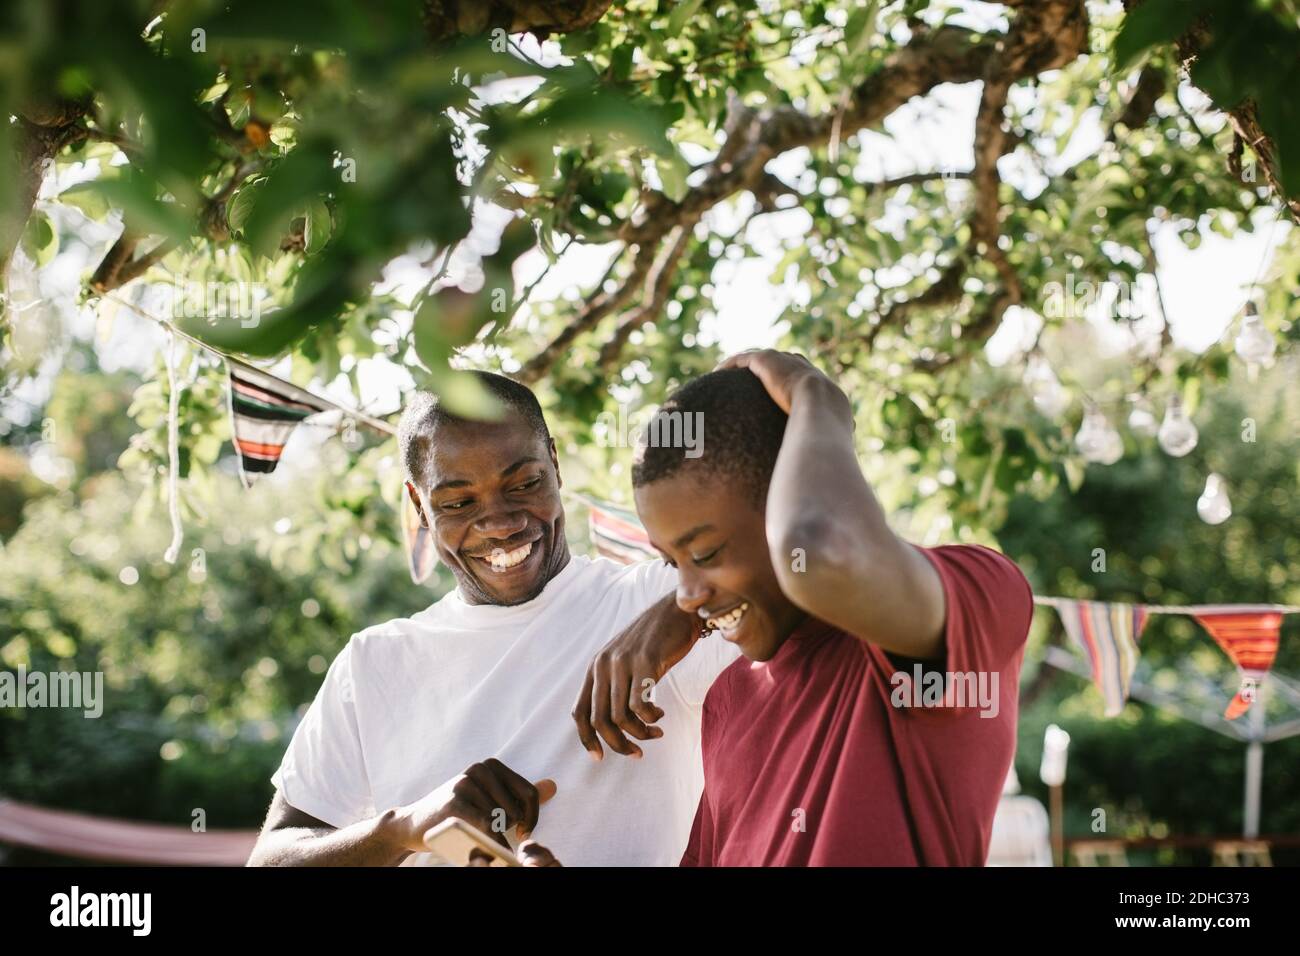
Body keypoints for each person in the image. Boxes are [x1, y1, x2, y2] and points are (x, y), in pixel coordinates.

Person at [247, 371, 737, 866]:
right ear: (419, 505)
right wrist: (407, 828)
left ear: (556, 465)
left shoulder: (656, 601)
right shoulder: (372, 663)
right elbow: (271, 860)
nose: (501, 524)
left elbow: (796, 559)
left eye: (524, 484)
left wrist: (686, 610)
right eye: (459, 502)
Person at [578, 350, 1033, 866]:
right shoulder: (732, 694)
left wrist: (817, 397)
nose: (685, 593)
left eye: (704, 553)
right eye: (671, 562)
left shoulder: (978, 595)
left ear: (790, 498)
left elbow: (819, 553)